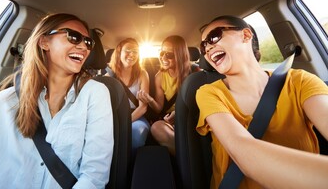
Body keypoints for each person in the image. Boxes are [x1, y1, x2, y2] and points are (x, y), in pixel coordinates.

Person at [0, 13, 114, 188]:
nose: (84, 46)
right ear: (44, 42)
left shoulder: (95, 94)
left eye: (88, 42)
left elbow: (94, 176)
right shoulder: (4, 102)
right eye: (73, 37)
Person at [196, 15, 328, 188]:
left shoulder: (300, 81)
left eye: (213, 37)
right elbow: (244, 151)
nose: (208, 47)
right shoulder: (209, 93)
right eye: (203, 45)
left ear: (245, 35)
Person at [138, 35, 191, 155]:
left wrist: (179, 114)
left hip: (189, 118)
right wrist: (150, 99)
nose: (163, 57)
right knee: (156, 127)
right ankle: (185, 156)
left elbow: (199, 106)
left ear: (180, 55)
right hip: (170, 122)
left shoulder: (194, 74)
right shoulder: (160, 76)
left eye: (169, 55)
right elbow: (159, 108)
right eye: (162, 53)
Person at [107, 38, 150, 156]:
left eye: (135, 51)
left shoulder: (142, 74)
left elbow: (143, 108)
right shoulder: (109, 75)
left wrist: (124, 123)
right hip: (114, 116)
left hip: (137, 115)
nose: (132, 54)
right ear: (119, 52)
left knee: (136, 135)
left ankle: (131, 167)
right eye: (128, 50)